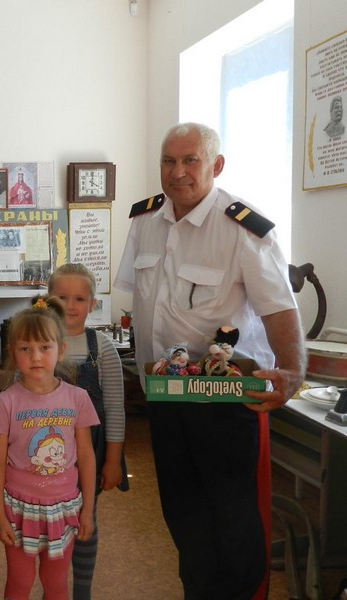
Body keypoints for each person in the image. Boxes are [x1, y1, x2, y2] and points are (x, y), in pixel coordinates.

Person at [114, 122, 306, 600]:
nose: (177, 171)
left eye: (190, 160)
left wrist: (292, 370)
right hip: (165, 396)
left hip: (225, 401)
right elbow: (138, 302)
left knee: (234, 519)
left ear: (216, 165)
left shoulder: (242, 228)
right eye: (168, 161)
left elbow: (280, 309)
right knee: (183, 514)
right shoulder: (145, 220)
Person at [0, 296, 98, 600]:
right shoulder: (4, 402)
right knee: (19, 583)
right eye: (26, 349)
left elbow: (86, 457)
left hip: (64, 508)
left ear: (61, 350)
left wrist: (88, 510)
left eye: (44, 347)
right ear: (13, 353)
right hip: (18, 509)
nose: (35, 356)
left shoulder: (77, 398)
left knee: (56, 583)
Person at [48, 264, 127, 600]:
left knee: (85, 520)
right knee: (49, 524)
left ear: (92, 304)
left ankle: (82, 591)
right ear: (47, 300)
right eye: (62, 297)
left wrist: (113, 461)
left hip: (89, 455)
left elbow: (115, 409)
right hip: (46, 454)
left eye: (79, 298)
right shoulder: (39, 343)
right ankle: (53, 590)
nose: (70, 305)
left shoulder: (103, 348)